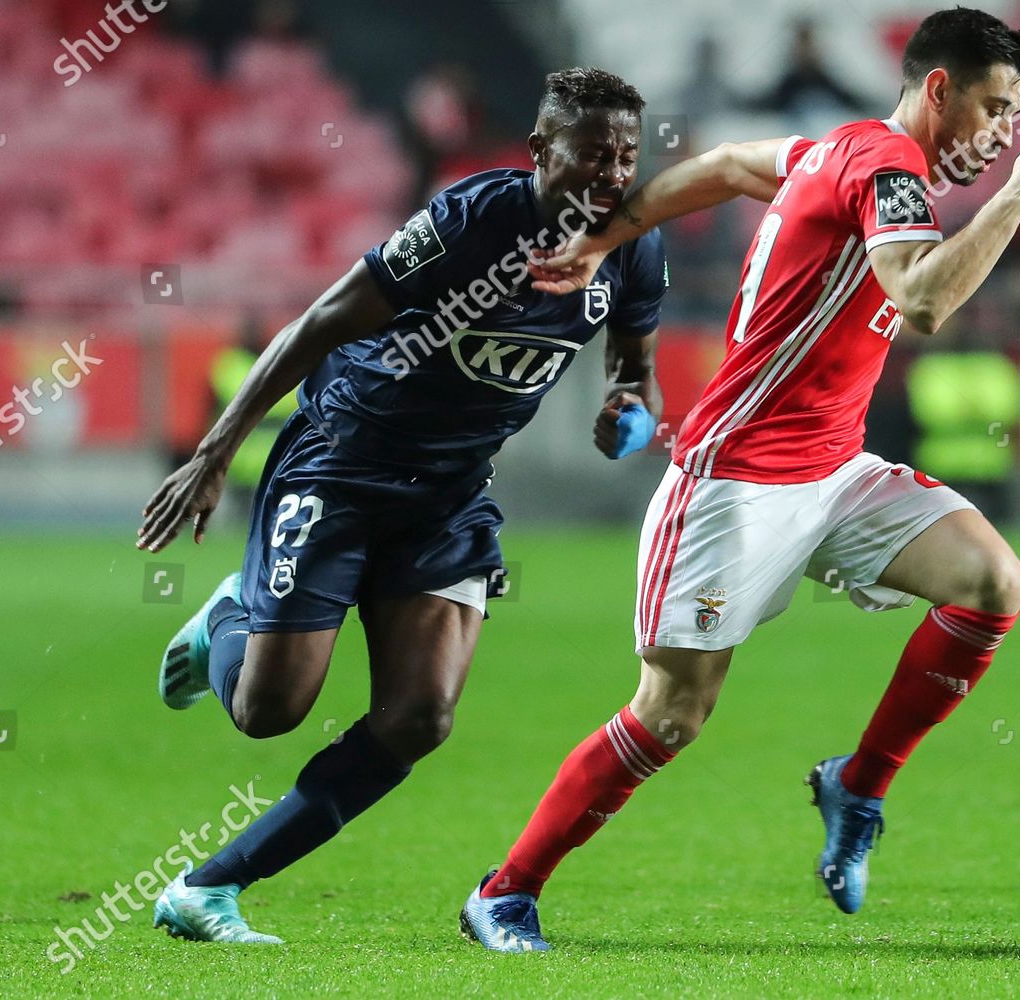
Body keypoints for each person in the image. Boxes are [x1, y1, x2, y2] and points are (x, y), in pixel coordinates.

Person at [461, 7, 1020, 952]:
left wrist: (604, 238)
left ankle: (858, 786)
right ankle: (504, 892)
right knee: (670, 717)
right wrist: (1018, 199)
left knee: (992, 583)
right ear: (939, 90)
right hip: (734, 481)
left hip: (832, 471)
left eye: (1014, 121)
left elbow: (721, 168)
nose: (1002, 137)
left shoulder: (838, 149)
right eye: (993, 111)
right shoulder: (887, 167)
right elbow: (920, 300)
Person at [135, 67, 667, 944]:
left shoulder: (635, 243)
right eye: (592, 155)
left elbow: (632, 363)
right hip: (343, 463)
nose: (613, 173)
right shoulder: (473, 221)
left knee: (420, 718)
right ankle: (226, 618)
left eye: (626, 156)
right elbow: (322, 322)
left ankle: (208, 888)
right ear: (540, 153)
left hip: (450, 491)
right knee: (270, 713)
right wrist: (213, 451)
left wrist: (627, 411)